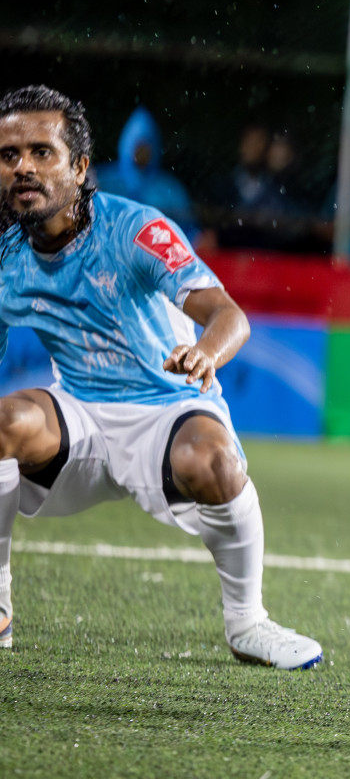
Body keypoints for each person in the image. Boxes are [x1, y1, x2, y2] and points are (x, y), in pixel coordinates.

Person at [0, 85, 322, 669]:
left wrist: (206, 352)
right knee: (2, 422)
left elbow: (229, 315)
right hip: (77, 414)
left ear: (78, 167)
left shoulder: (135, 229)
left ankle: (248, 622)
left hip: (164, 409)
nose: (23, 167)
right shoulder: (4, 256)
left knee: (215, 462)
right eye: (9, 156)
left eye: (41, 153)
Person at [93, 106, 198, 240]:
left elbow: (190, 229)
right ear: (127, 144)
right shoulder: (104, 181)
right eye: (138, 145)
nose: (143, 152)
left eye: (147, 145)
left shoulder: (170, 189)